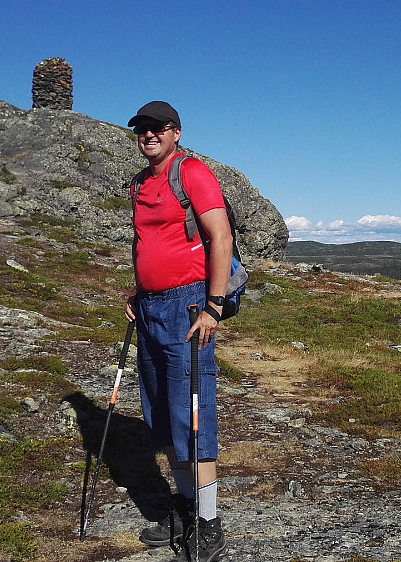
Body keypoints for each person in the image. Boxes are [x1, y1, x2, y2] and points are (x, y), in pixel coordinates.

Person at [124, 100, 231, 562]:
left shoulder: (191, 173)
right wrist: (138, 291)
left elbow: (220, 237)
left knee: (192, 414)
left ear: (176, 133)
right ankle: (185, 508)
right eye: (141, 129)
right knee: (164, 416)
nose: (148, 135)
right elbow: (146, 242)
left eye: (157, 128)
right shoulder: (140, 183)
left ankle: (208, 524)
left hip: (187, 306)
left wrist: (214, 306)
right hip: (150, 308)